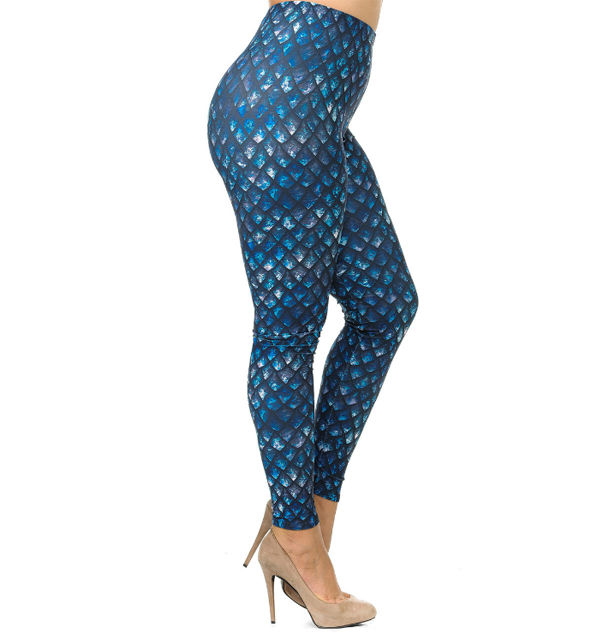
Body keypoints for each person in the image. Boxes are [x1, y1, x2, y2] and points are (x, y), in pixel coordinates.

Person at [207, 0, 418, 626]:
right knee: (289, 332)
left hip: (313, 107)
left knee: (386, 306)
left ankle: (304, 519)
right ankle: (298, 539)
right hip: (284, 107)